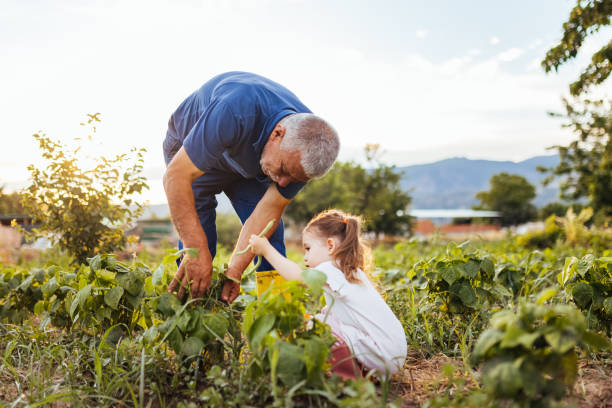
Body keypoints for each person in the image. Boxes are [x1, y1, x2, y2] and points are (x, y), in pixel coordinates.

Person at [162, 72, 339, 303]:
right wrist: (195, 248)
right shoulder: (235, 109)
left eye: (293, 178)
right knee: (198, 241)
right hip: (193, 151)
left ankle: (276, 313)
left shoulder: (305, 152)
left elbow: (267, 213)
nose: (283, 182)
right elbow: (175, 176)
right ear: (278, 134)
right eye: (284, 170)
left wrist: (235, 270)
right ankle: (191, 311)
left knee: (270, 236)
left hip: (249, 159)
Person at [248, 209, 407, 379]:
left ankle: (346, 377)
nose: (305, 257)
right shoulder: (349, 270)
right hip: (392, 352)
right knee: (324, 317)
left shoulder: (330, 267)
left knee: (319, 328)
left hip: (381, 352)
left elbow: (298, 277)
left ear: (330, 246)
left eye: (308, 249)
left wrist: (266, 250)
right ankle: (365, 371)